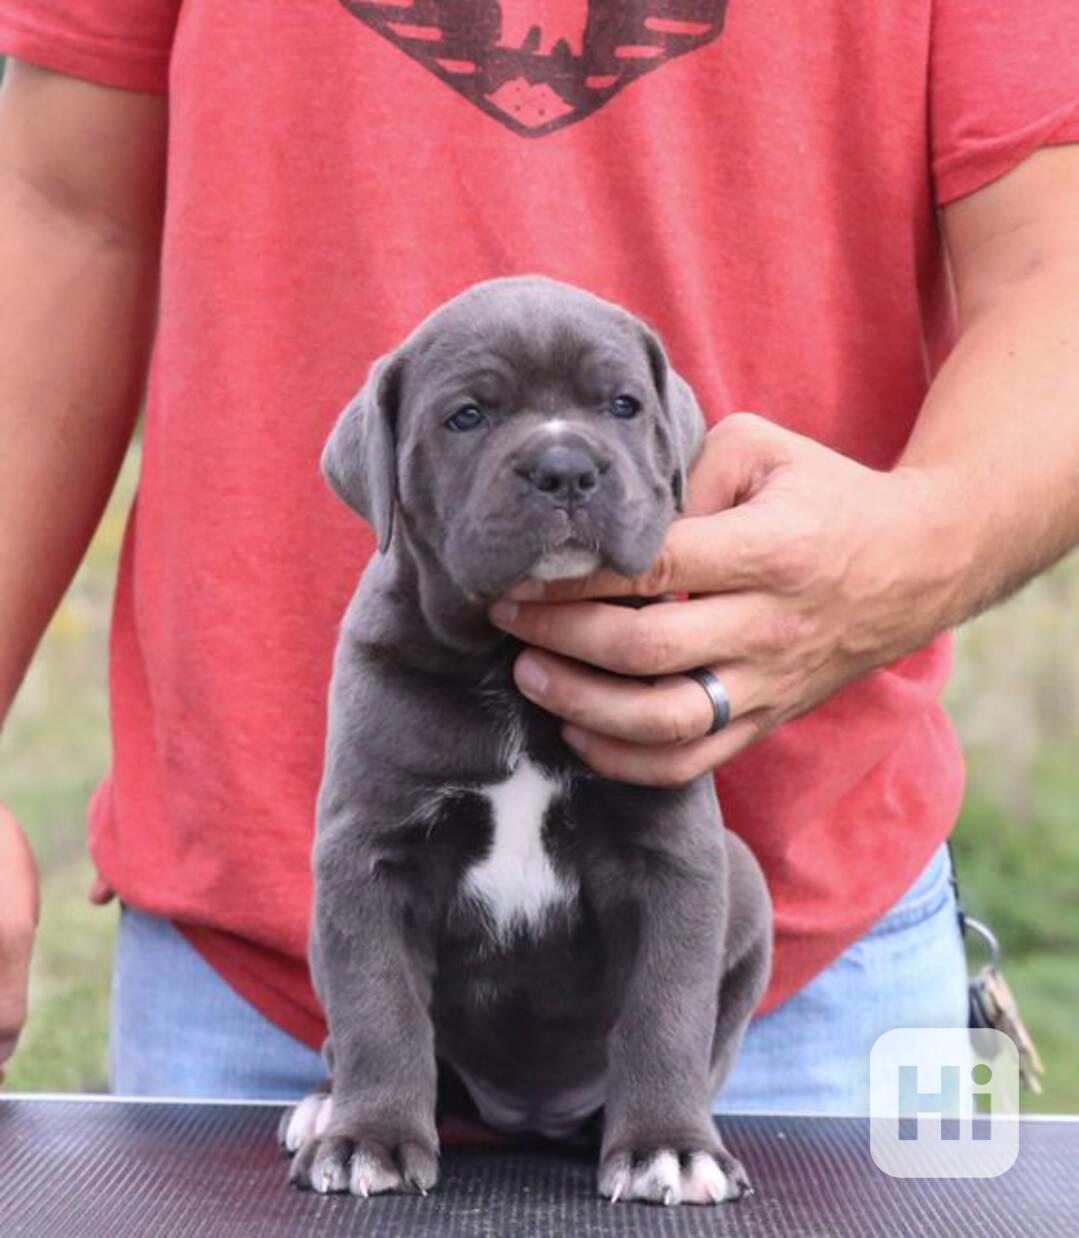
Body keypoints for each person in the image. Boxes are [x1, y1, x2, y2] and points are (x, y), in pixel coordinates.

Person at [1, 3, 1077, 1114]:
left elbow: (1060, 261)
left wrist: (920, 546)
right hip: (268, 963)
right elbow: (62, 207)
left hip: (783, 961)